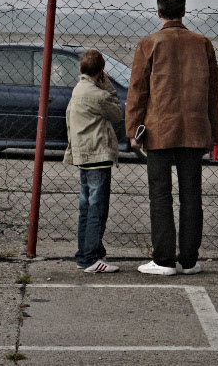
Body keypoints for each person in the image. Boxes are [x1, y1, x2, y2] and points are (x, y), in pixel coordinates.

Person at [125, 0, 218, 276]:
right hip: (195, 130)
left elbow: (137, 91)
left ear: (158, 12)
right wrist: (216, 130)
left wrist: (133, 129)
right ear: (183, 10)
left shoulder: (149, 43)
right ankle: (190, 259)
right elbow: (214, 93)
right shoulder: (202, 43)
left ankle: (163, 259)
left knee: (160, 195)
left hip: (159, 130)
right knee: (191, 195)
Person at [63, 49, 122, 273]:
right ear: (101, 71)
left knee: (86, 208)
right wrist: (107, 86)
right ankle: (92, 258)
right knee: (98, 208)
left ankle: (84, 254)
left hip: (83, 154)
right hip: (98, 154)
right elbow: (116, 113)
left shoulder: (78, 89)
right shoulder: (99, 94)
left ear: (80, 69)